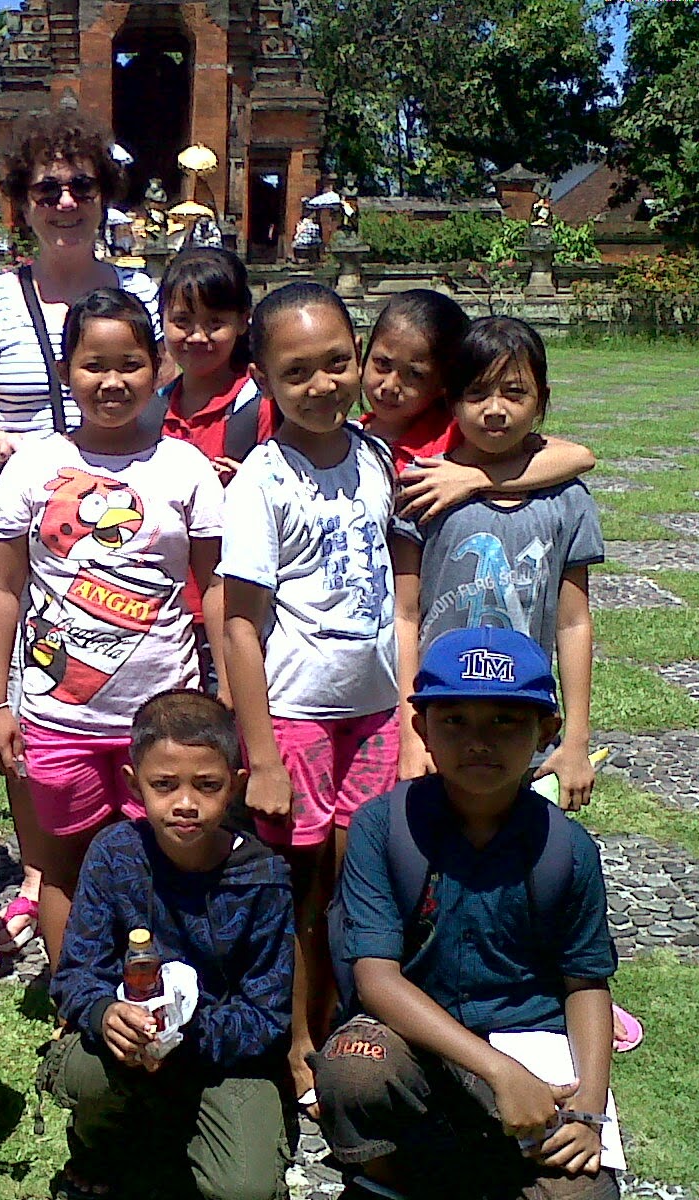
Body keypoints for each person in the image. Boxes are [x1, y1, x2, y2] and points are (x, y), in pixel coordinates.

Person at [0, 109, 163, 955]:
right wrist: (11, 446)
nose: (65, 201)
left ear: (103, 197)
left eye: (81, 186)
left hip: (121, 520)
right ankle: (42, 870)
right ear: (21, 204)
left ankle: (123, 851)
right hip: (24, 518)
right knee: (43, 691)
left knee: (113, 671)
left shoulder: (139, 295)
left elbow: (165, 401)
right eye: (47, 189)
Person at [313, 627, 618, 1200]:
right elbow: (375, 979)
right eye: (455, 720)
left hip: (532, 1054)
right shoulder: (383, 827)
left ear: (545, 731)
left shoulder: (567, 848)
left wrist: (587, 1109)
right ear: (422, 727)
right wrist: (496, 1073)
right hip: (415, 1044)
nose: (480, 741)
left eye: (505, 720)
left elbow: (586, 981)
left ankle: (487, 1166)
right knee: (355, 1066)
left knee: (584, 1195)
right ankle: (398, 1184)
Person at [0, 288, 224, 968]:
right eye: (93, 365)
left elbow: (217, 594)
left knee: (168, 861)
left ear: (158, 367)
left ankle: (170, 990)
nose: (112, 381)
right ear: (66, 372)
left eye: (129, 364)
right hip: (59, 719)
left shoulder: (185, 468)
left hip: (165, 720)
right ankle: (75, 999)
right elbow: (1, 589)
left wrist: (226, 694)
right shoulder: (31, 467)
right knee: (64, 864)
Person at [219, 282, 398, 1114]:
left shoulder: (376, 458)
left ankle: (353, 1028)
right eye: (299, 372)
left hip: (376, 715)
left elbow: (402, 591)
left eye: (338, 362)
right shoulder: (260, 481)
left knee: (362, 880)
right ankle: (296, 1043)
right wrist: (260, 757)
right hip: (294, 720)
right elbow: (240, 628)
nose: (324, 385)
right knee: (298, 890)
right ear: (262, 378)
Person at [47, 690, 297, 1200]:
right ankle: (101, 1144)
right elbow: (76, 973)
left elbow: (268, 1015)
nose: (185, 804)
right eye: (164, 785)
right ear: (133, 784)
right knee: (86, 1072)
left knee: (244, 1190)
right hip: (128, 1046)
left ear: (235, 786)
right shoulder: (116, 853)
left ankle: (192, 1128)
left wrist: (184, 1036)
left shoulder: (263, 878)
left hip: (222, 1057)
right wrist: (102, 1015)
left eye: (206, 786)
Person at [390, 317, 602, 808]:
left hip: (521, 709)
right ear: (450, 400)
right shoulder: (423, 489)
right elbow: (405, 615)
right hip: (441, 711)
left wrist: (575, 742)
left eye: (514, 392)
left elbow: (573, 623)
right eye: (477, 393)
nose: (495, 410)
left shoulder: (567, 500)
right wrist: (408, 730)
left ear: (542, 401)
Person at [357, 290, 596, 524]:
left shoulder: (456, 430)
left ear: (445, 383)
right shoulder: (350, 437)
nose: (390, 385)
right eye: (382, 364)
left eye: (416, 374)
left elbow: (578, 457)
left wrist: (476, 478)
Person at [154, 247, 276, 688]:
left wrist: (250, 485)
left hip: (236, 613)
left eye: (215, 322)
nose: (198, 336)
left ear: (244, 320)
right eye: (182, 322)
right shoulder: (151, 412)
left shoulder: (260, 406)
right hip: (160, 614)